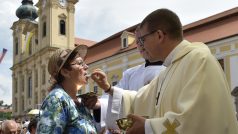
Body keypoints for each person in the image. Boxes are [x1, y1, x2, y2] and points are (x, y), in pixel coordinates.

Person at [91, 8, 238, 134]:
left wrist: (148, 127)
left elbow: (197, 121)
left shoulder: (199, 60)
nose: (140, 46)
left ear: (159, 36)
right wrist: (109, 89)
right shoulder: (169, 70)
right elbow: (139, 98)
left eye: (142, 40)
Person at [36, 45, 97, 133]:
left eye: (84, 63)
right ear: (65, 72)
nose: (86, 66)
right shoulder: (57, 99)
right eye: (80, 63)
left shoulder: (79, 102)